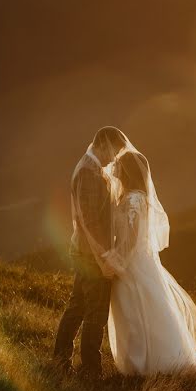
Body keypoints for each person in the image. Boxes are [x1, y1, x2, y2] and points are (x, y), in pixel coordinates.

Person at [105, 149, 196, 381]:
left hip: (132, 265)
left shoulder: (134, 199)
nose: (114, 168)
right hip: (137, 263)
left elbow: (133, 237)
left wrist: (117, 261)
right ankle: (140, 363)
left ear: (127, 171)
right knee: (136, 311)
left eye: (118, 165)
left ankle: (148, 363)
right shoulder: (133, 197)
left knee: (137, 311)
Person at [51, 126, 128, 378]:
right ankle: (90, 370)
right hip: (90, 254)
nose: (113, 158)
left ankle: (62, 361)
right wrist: (103, 257)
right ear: (103, 142)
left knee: (78, 306)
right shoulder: (88, 171)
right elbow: (89, 222)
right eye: (113, 152)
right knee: (95, 311)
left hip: (86, 252)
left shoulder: (91, 168)